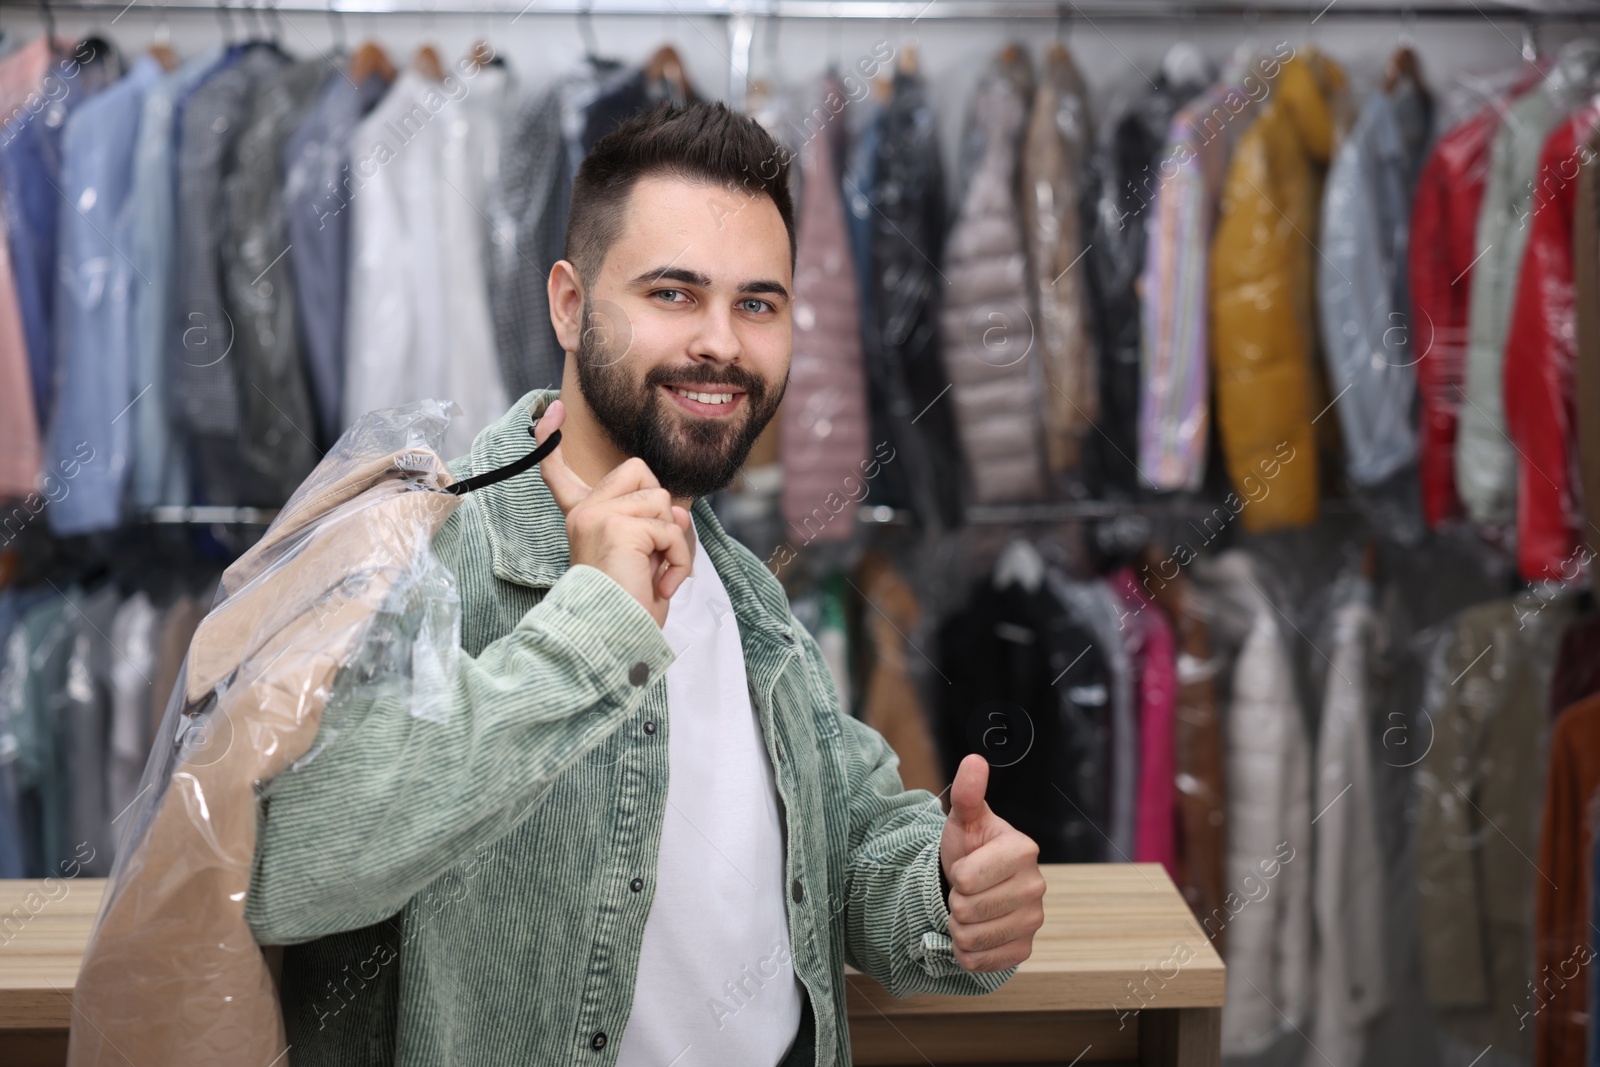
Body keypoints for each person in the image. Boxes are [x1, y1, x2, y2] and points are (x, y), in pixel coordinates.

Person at [247, 100, 1044, 1067]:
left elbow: (845, 849)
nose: (722, 343)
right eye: (674, 293)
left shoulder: (748, 591)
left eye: (759, 302)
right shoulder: (413, 551)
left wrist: (950, 896)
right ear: (570, 306)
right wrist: (587, 633)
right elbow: (283, 866)